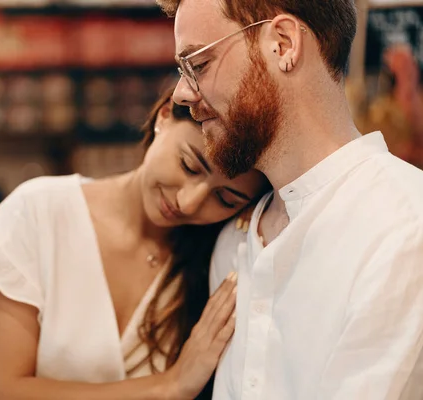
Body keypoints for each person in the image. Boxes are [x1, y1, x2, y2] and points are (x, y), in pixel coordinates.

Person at [157, 0, 423, 398]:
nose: (181, 92)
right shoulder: (232, 241)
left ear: (282, 44)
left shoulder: (404, 226)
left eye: (200, 64)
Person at [0, 87, 270, 400]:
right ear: (164, 117)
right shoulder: (39, 213)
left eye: (225, 199)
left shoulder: (218, 258)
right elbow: (1, 392)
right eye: (189, 165)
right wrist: (168, 387)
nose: (188, 202)